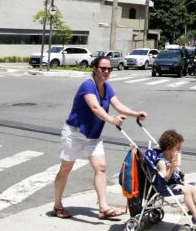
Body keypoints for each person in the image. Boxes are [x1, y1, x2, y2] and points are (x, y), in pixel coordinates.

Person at [51, 55, 147, 220]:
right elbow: (95, 107)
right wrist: (111, 120)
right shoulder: (87, 85)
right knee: (65, 169)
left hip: (93, 136)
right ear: (95, 68)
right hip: (75, 133)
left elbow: (118, 105)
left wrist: (135, 114)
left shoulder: (107, 88)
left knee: (101, 167)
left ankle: (103, 207)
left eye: (109, 69)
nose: (106, 71)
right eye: (103, 68)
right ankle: (57, 205)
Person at [157, 129, 196, 227]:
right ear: (168, 148)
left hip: (175, 183)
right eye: (177, 149)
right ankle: (195, 216)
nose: (179, 151)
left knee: (192, 188)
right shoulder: (162, 162)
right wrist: (172, 167)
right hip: (166, 186)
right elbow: (164, 178)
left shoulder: (170, 158)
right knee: (187, 190)